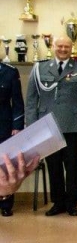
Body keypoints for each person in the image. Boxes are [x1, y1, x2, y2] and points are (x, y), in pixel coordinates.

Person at [24, 36, 77, 217]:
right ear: (53, 46)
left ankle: (72, 203)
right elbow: (31, 99)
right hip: (47, 126)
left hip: (74, 126)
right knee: (54, 166)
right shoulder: (39, 68)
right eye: (60, 46)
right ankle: (58, 203)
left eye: (67, 46)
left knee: (73, 166)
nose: (63, 49)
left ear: (71, 48)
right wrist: (32, 127)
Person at [0, 62, 25, 216]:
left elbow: (17, 102)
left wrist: (17, 126)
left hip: (4, 126)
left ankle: (5, 203)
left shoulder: (9, 72)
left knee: (5, 165)